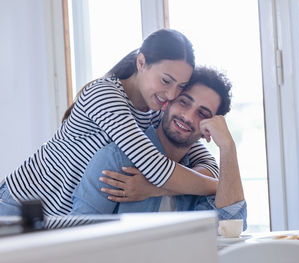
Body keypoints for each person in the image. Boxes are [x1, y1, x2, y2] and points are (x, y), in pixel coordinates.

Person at [0, 29, 219, 216]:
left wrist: (156, 190)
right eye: (165, 80)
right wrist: (219, 188)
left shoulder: (155, 110)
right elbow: (157, 170)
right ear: (141, 63)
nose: (171, 94)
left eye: (180, 86)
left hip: (60, 217)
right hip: (18, 207)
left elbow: (206, 164)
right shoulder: (105, 95)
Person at [71, 67, 247, 228]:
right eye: (184, 102)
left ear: (208, 130)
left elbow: (230, 226)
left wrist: (228, 147)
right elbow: (79, 237)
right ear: (167, 102)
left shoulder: (200, 171)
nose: (187, 116)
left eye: (202, 113)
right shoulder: (116, 160)